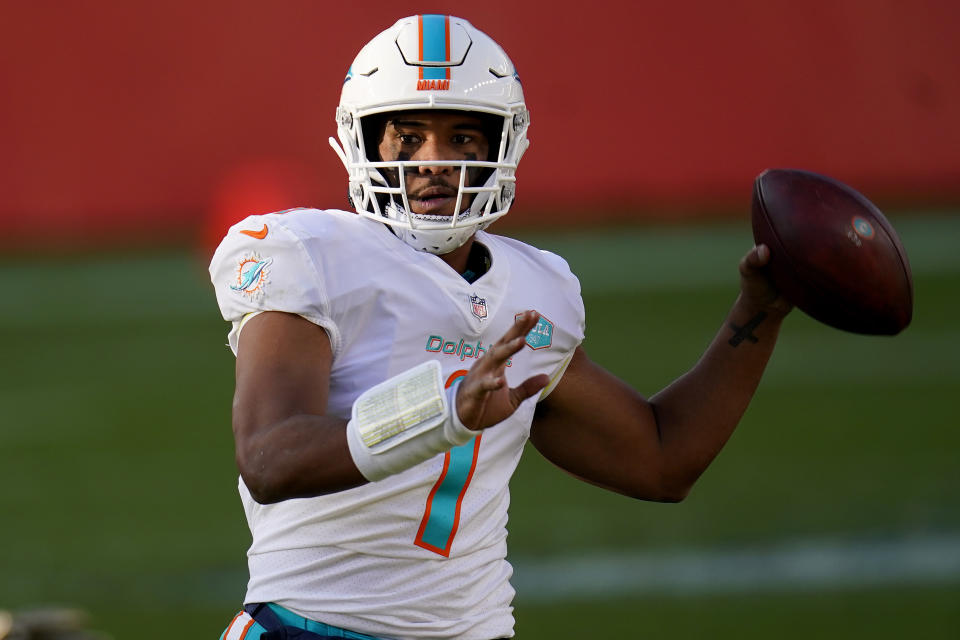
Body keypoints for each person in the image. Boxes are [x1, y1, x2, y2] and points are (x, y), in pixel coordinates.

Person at [210, 14, 792, 640]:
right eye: (406, 137)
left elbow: (661, 460)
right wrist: (444, 409)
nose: (433, 162)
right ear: (363, 142)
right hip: (311, 627)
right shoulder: (309, 255)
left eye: (463, 138)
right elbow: (269, 458)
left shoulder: (536, 289)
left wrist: (759, 310)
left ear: (502, 148)